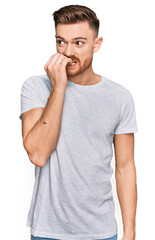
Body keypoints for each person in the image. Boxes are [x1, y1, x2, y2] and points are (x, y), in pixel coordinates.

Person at [19, 4, 138, 240]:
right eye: (61, 41)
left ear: (97, 44)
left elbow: (125, 168)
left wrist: (130, 232)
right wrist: (60, 87)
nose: (67, 51)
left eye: (79, 43)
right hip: (48, 231)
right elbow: (38, 155)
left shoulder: (119, 96)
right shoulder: (36, 88)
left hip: (101, 231)